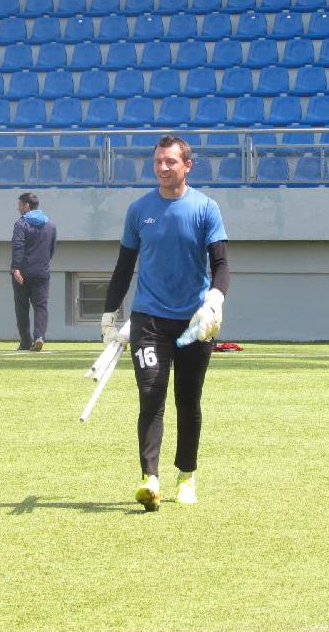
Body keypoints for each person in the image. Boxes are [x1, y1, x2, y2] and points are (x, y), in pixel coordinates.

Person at [102, 135, 230, 511]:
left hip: (194, 323)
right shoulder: (139, 210)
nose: (162, 167)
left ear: (187, 166)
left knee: (188, 401)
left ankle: (186, 475)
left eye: (170, 161)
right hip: (149, 320)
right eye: (158, 161)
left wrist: (215, 301)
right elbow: (124, 267)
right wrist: (109, 315)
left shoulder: (206, 208)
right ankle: (150, 479)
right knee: (151, 395)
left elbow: (221, 264)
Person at [10, 192, 57, 352]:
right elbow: (51, 249)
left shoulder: (21, 224)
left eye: (19, 205)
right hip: (41, 272)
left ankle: (25, 341)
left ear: (27, 206)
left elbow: (18, 246)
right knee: (41, 306)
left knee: (22, 308)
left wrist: (16, 268)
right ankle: (39, 337)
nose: (18, 208)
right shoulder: (50, 225)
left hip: (23, 272)